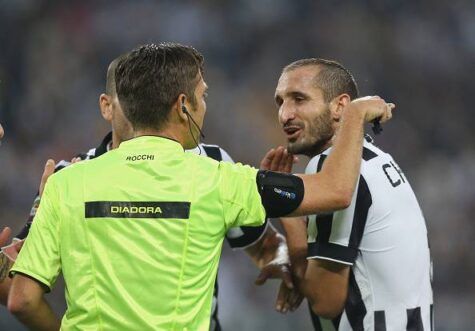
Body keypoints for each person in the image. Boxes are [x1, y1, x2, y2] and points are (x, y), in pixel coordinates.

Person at [8, 43, 393, 330]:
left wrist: (282, 261)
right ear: (182, 106)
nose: (206, 104)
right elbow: (335, 190)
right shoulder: (217, 177)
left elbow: (21, 295)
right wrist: (355, 115)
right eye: (203, 95)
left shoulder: (66, 181)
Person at [1, 55, 291, 330]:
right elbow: (18, 286)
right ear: (107, 107)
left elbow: (267, 246)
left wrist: (282, 260)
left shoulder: (211, 165)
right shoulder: (67, 177)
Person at [272, 58, 432, 330]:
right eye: (280, 102)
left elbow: (325, 300)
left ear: (340, 107)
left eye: (299, 99)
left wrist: (288, 216)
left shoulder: (332, 169)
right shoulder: (378, 160)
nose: (285, 114)